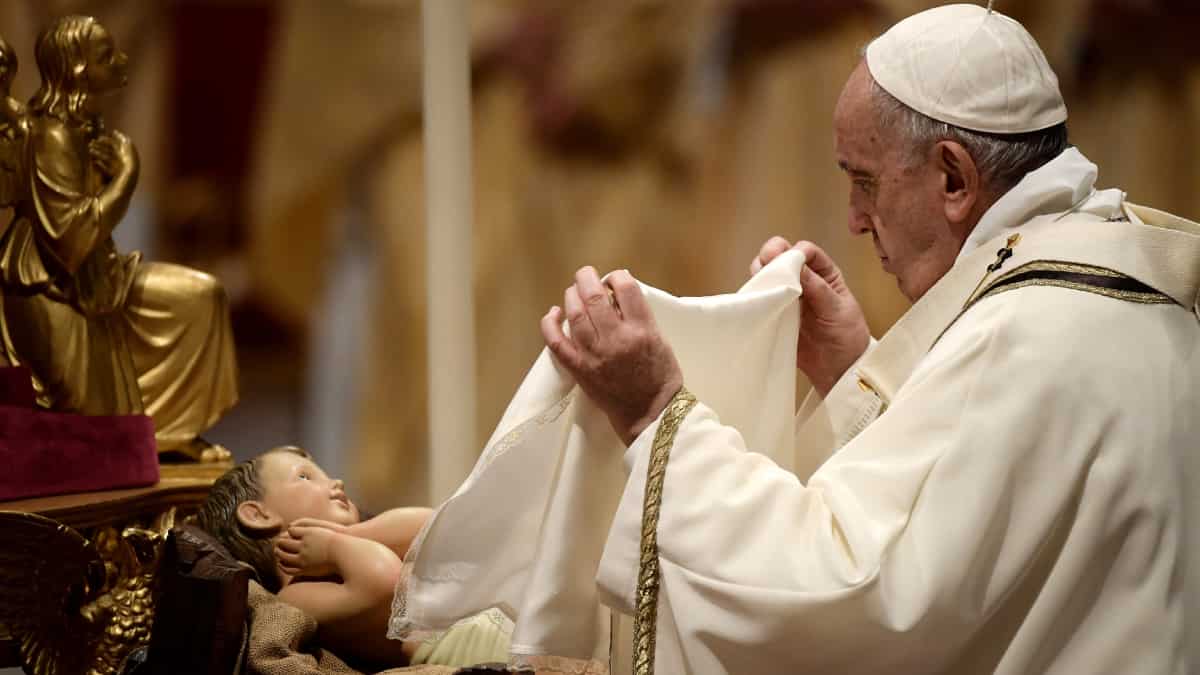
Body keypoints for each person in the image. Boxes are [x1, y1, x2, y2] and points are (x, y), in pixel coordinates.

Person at [539, 4, 1200, 673]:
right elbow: (962, 544)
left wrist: (654, 412)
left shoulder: (1024, 335)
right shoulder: (1118, 291)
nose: (856, 219)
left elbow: (843, 595)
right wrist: (855, 371)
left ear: (953, 177)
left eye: (865, 180)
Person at [0, 15, 237, 461]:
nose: (121, 59)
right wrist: (125, 179)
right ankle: (152, 441)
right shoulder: (49, 135)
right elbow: (69, 241)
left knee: (202, 298)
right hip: (50, 290)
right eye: (108, 55)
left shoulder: (86, 123)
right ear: (78, 71)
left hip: (96, 278)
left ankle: (173, 430)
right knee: (99, 440)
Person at [195, 446, 512, 670]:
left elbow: (435, 528)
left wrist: (350, 536)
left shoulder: (360, 541)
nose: (336, 483)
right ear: (258, 514)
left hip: (504, 619)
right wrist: (334, 546)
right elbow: (385, 583)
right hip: (469, 647)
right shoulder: (296, 595)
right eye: (306, 478)